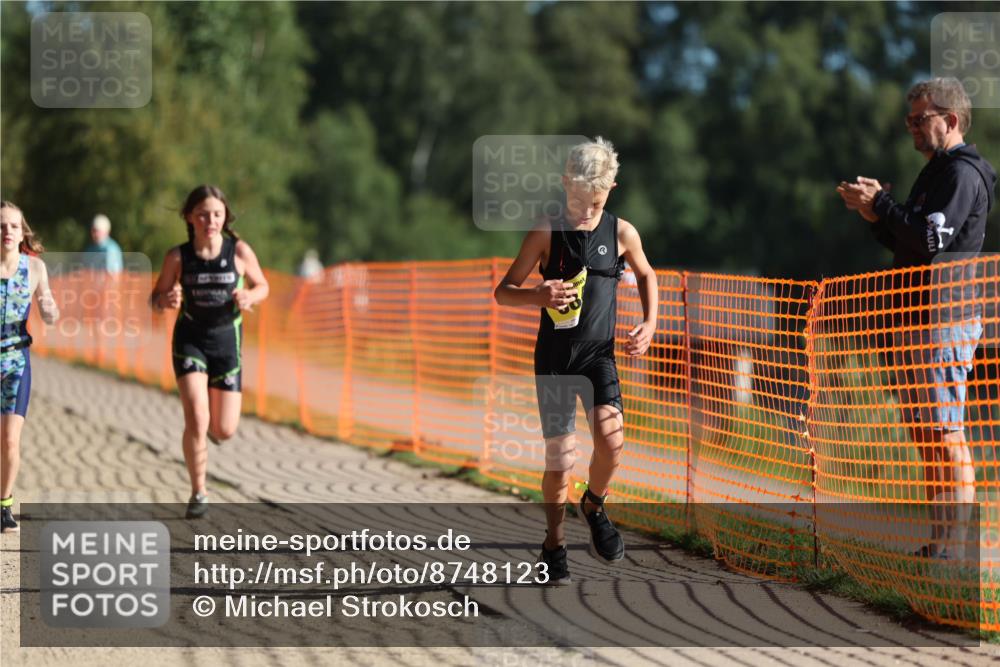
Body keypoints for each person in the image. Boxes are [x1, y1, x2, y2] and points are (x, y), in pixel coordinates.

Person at [837, 77, 996, 559]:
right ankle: (942, 540)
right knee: (927, 434)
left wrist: (882, 205)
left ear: (951, 119)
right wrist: (875, 216)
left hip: (945, 318)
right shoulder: (936, 172)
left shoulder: (962, 173)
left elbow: (931, 238)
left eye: (919, 119)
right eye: (908, 120)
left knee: (946, 432)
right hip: (917, 317)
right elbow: (910, 241)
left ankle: (957, 548)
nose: (911, 128)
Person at [494, 138, 658, 584]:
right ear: (565, 183)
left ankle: (595, 503)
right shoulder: (546, 231)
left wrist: (649, 323)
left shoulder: (622, 233)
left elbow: (646, 274)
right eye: (578, 200)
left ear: (611, 190)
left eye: (596, 203)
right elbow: (503, 292)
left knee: (612, 440)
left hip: (598, 355)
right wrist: (537, 294)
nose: (586, 211)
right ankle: (554, 544)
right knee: (560, 461)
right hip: (555, 358)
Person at [150, 186, 269, 519]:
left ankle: (211, 434)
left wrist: (250, 297)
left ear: (225, 217)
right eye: (203, 215)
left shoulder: (239, 251)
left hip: (227, 344)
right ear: (190, 217)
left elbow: (263, 285)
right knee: (197, 418)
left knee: (224, 429)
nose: (210, 221)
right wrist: (165, 300)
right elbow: (156, 298)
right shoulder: (178, 257)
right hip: (190, 340)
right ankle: (199, 491)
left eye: (217, 214)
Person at [1, 201, 60, 533]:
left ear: (23, 231)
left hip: (16, 361)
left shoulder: (35, 268)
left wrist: (50, 309)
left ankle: (4, 505)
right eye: (1, 226)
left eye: (13, 225)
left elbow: (50, 313)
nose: (7, 231)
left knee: (10, 440)